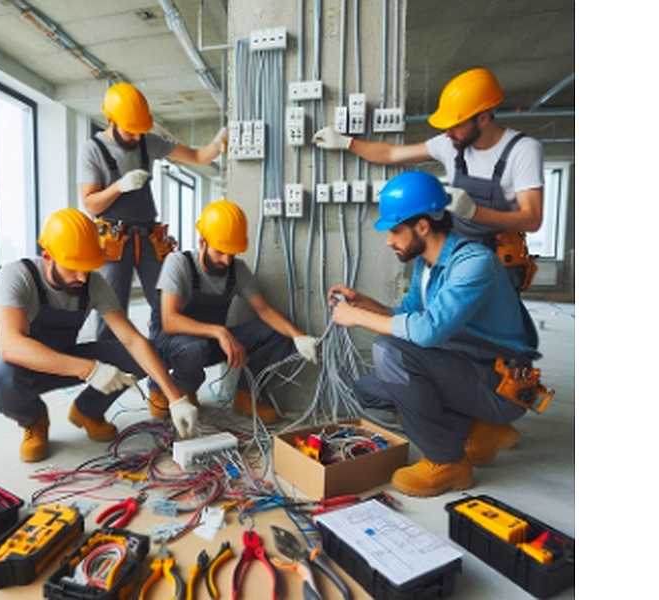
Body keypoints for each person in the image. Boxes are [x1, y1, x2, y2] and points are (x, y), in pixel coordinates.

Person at [328, 170, 542, 497]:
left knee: (390, 352)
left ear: (423, 226)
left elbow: (427, 332)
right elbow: (410, 315)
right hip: (465, 367)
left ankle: (448, 461)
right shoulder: (426, 265)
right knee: (369, 389)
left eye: (396, 231)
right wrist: (366, 304)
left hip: (499, 382)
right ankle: (478, 430)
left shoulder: (474, 264)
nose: (389, 241)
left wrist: (356, 317)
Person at [0, 208, 198, 463]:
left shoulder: (92, 282)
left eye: (87, 268)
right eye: (73, 268)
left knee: (141, 354)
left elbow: (132, 340)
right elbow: (11, 346)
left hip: (66, 358)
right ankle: (35, 420)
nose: (81, 278)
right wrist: (89, 369)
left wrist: (175, 398)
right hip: (23, 368)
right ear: (48, 257)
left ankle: (88, 411)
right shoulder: (17, 275)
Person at [313, 67, 543, 291]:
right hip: (454, 251)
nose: (448, 133)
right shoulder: (450, 144)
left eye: (455, 125)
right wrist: (346, 143)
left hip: (496, 259)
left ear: (483, 118)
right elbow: (391, 154)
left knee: (489, 322)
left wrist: (476, 213)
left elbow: (532, 219)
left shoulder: (522, 150)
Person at [147, 200, 319, 424]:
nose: (226, 260)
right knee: (193, 348)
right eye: (220, 252)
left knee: (279, 333)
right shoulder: (178, 263)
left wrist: (299, 336)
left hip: (208, 343)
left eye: (232, 253)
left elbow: (264, 310)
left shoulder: (237, 270)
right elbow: (169, 321)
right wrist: (219, 331)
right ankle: (172, 388)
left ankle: (246, 396)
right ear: (202, 242)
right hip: (170, 345)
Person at [78, 82, 227, 337]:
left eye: (140, 131)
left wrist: (218, 142)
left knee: (166, 303)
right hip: (113, 241)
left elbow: (198, 157)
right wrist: (119, 187)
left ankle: (159, 366)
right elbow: (90, 203)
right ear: (111, 119)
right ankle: (111, 372)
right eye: (131, 131)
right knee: (111, 312)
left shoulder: (148, 142)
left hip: (149, 238)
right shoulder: (93, 150)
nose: (137, 137)